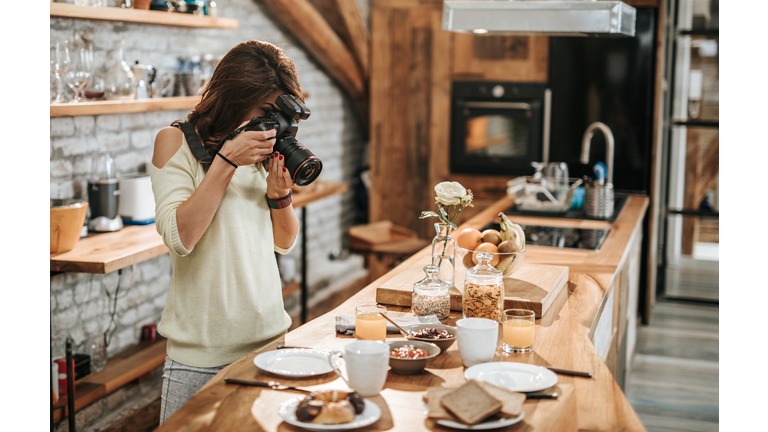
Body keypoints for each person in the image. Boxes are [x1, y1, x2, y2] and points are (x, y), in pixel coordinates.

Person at [150, 40, 302, 424]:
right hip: (199, 358)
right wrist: (227, 161)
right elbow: (179, 237)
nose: (272, 124)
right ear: (234, 97)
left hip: (270, 346)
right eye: (267, 110)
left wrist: (280, 196)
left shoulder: (259, 149)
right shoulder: (176, 142)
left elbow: (283, 242)